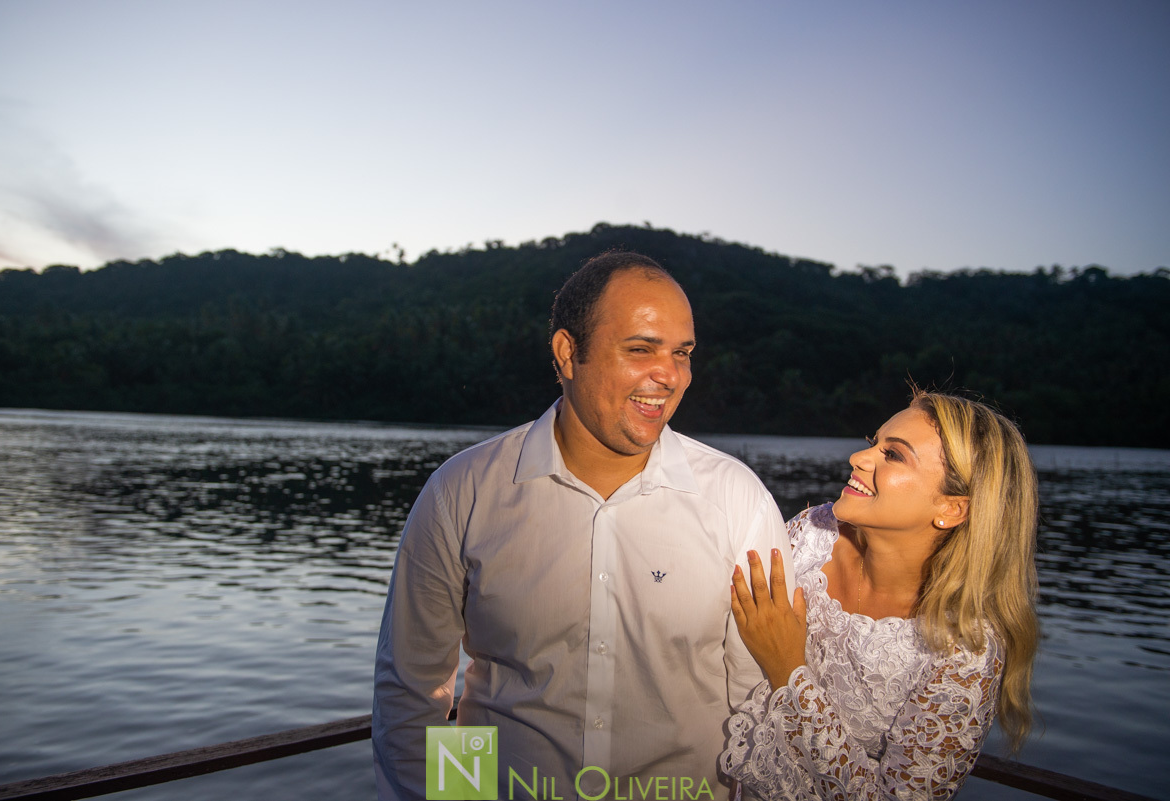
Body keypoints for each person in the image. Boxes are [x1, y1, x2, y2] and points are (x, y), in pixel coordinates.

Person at [372, 250, 795, 801]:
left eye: (682, 354)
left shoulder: (737, 500)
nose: (668, 376)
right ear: (569, 353)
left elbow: (756, 701)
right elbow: (416, 693)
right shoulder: (463, 492)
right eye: (641, 349)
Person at [721, 390, 1039, 800]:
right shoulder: (812, 533)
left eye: (894, 455)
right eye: (874, 442)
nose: (859, 457)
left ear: (952, 508)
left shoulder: (967, 647)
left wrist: (788, 669)